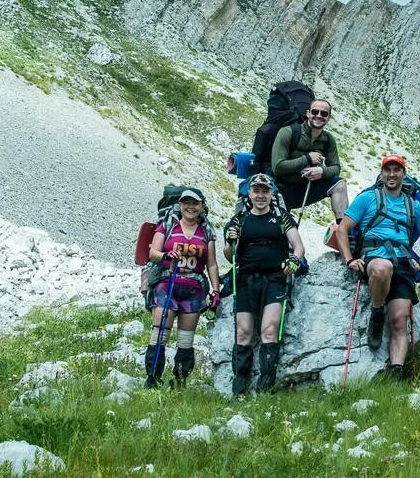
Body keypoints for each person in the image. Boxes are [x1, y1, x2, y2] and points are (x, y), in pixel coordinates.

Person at [336, 155, 420, 381]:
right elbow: (342, 229)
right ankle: (376, 311)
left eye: (396, 170)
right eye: (387, 170)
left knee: (399, 319)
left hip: (403, 262)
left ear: (403, 174)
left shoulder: (412, 206)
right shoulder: (367, 199)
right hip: (374, 256)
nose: (391, 174)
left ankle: (396, 372)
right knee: (382, 268)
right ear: (381, 173)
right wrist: (349, 259)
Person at [223, 173, 305, 395]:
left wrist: (295, 260)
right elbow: (229, 255)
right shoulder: (238, 220)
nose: (260, 195)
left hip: (275, 279)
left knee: (269, 330)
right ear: (249, 193)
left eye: (265, 191)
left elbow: (298, 246)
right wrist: (231, 241)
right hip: (245, 279)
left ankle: (265, 388)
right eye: (256, 190)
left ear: (272, 194)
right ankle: (239, 387)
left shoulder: (282, 217)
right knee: (243, 332)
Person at [145, 188, 222, 388]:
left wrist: (215, 290)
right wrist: (166, 256)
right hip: (167, 284)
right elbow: (153, 251)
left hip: (193, 290)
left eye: (195, 203)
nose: (190, 207)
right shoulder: (168, 225)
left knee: (186, 340)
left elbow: (211, 264)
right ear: (180, 204)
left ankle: (180, 381)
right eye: (186, 202)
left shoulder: (207, 232)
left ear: (202, 206)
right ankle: (152, 379)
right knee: (160, 333)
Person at [270, 99, 348, 221]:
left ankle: (341, 228)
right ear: (308, 113)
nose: (319, 116)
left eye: (324, 113)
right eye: (315, 112)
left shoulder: (328, 139)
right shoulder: (287, 132)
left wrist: (322, 172)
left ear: (329, 117)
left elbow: (336, 168)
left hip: (307, 188)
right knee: (281, 230)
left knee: (339, 184)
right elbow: (277, 167)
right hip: (282, 190)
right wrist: (307, 159)